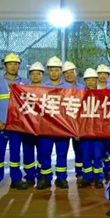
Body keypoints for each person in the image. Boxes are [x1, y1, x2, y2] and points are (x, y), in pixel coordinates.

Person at [0, 53, 28, 193]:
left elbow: (28, 104)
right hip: (1, 124)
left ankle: (16, 179)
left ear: (19, 66)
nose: (13, 66)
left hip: (17, 125)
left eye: (16, 64)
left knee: (15, 153)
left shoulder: (25, 82)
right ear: (4, 66)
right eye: (10, 64)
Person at [38, 56, 70, 190]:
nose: (54, 73)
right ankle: (45, 178)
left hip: (63, 127)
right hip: (46, 127)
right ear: (47, 71)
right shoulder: (42, 88)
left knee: (62, 154)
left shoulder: (69, 88)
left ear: (61, 71)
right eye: (51, 70)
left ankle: (61, 178)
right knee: (45, 154)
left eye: (56, 70)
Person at [78, 68, 106, 188]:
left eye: (93, 79)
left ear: (97, 80)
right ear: (84, 81)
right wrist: (76, 131)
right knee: (86, 155)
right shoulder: (79, 95)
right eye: (88, 80)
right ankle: (87, 177)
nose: (90, 82)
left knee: (98, 155)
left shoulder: (103, 95)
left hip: (98, 132)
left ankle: (98, 178)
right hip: (84, 132)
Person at [20, 62, 44, 187]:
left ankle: (40, 176)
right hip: (27, 128)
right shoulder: (23, 91)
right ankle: (29, 176)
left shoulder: (48, 91)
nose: (35, 76)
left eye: (38, 74)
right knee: (28, 153)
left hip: (43, 128)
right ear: (29, 75)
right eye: (33, 74)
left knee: (42, 154)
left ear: (42, 75)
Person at [62, 60, 84, 180]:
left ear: (76, 73)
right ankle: (61, 177)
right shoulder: (60, 88)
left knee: (79, 151)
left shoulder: (82, 88)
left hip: (78, 125)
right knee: (62, 152)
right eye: (66, 73)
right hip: (63, 124)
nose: (69, 75)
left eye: (71, 72)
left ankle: (80, 173)